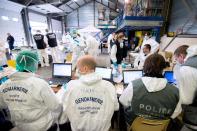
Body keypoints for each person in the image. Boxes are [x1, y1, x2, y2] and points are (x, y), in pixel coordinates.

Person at [0, 50, 62, 131]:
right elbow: (55, 106)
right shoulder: (39, 84)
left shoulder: (4, 85)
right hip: (43, 126)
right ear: (34, 64)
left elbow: (2, 105)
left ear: (18, 63)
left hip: (21, 127)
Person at [119, 54, 180, 127]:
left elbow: (123, 101)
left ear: (145, 67)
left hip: (136, 126)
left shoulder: (134, 85)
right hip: (160, 127)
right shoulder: (175, 91)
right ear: (163, 68)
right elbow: (175, 114)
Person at [60, 55, 119, 131]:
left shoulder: (70, 86)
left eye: (77, 68)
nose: (76, 71)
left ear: (85, 68)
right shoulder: (109, 86)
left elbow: (62, 105)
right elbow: (116, 107)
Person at [177, 45, 197, 131]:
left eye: (177, 59)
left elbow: (186, 100)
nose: (177, 62)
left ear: (181, 56)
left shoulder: (186, 68)